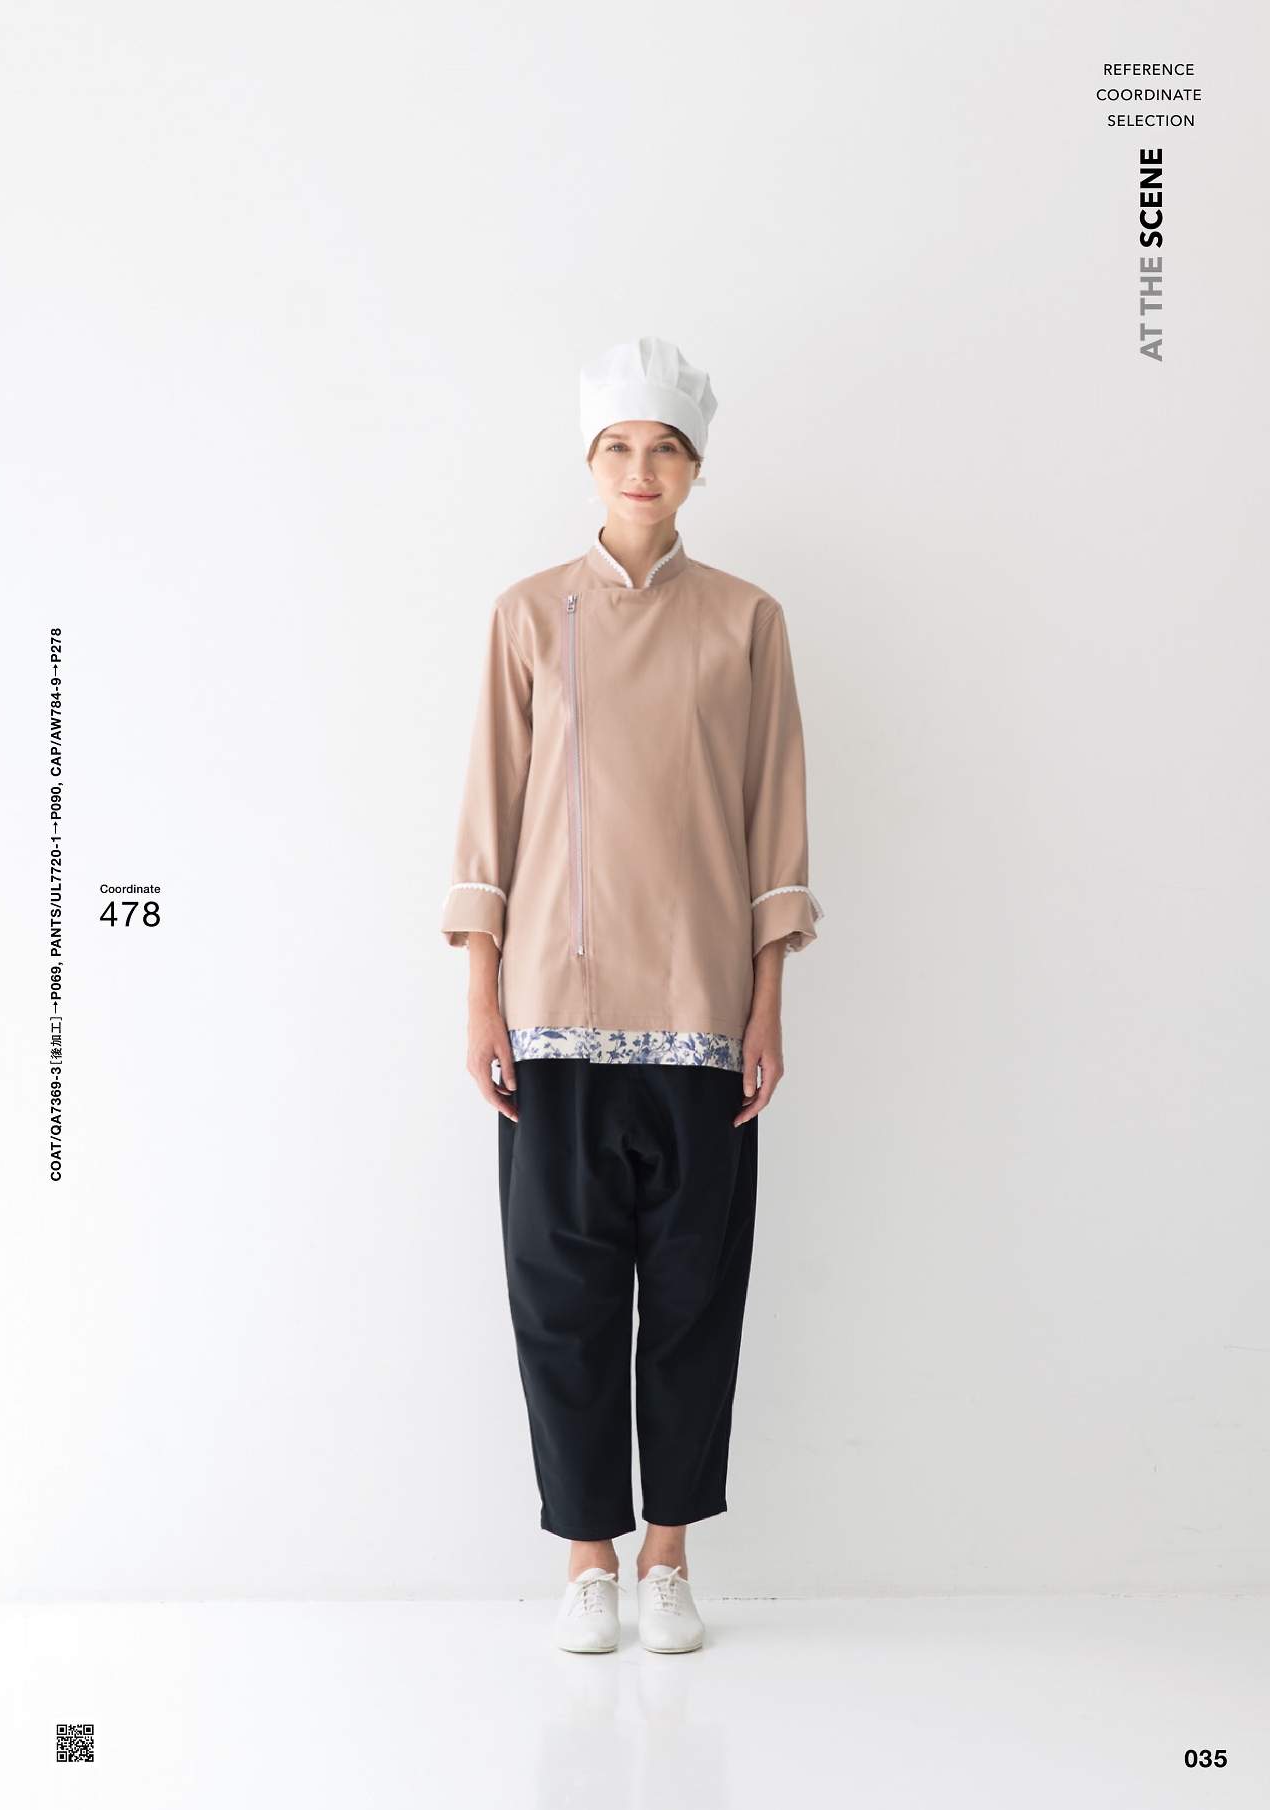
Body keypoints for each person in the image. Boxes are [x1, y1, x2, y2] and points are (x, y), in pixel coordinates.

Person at [440, 335, 823, 1653]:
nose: (641, 469)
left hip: (704, 1012)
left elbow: (775, 817)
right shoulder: (525, 616)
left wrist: (767, 1002)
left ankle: (668, 1554)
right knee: (563, 1294)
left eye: (664, 448)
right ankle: (588, 1556)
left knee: (696, 1295)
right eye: (618, 448)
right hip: (550, 1010)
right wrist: (481, 996)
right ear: (590, 462)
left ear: (695, 466)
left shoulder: (748, 622)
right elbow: (488, 817)